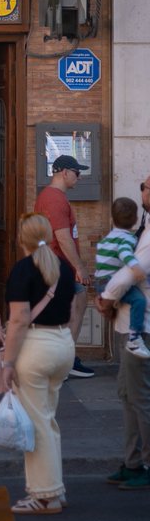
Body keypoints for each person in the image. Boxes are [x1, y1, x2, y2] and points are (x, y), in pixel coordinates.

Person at [2, 212, 75, 514]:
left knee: (36, 425)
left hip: (35, 348)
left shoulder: (22, 270)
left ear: (22, 239)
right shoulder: (64, 269)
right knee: (48, 420)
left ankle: (44, 496)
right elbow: (72, 312)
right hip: (62, 345)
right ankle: (54, 490)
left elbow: (18, 320)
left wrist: (7, 362)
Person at [99, 173, 150, 490]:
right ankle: (132, 461)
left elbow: (134, 270)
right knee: (127, 394)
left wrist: (106, 297)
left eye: (145, 186)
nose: (141, 189)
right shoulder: (141, 227)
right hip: (128, 321)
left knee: (140, 396)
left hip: (140, 326)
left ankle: (143, 462)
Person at [34, 154, 94, 377]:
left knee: (72, 306)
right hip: (59, 265)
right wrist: (79, 267)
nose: (78, 177)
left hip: (56, 264)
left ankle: (65, 359)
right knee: (77, 303)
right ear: (64, 172)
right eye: (77, 173)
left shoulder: (53, 197)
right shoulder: (54, 199)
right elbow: (63, 237)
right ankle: (65, 360)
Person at [93, 197, 149, 359]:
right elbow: (124, 252)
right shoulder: (128, 239)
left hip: (101, 282)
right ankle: (134, 338)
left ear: (112, 219)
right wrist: (135, 267)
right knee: (139, 301)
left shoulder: (107, 239)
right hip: (110, 282)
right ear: (136, 219)